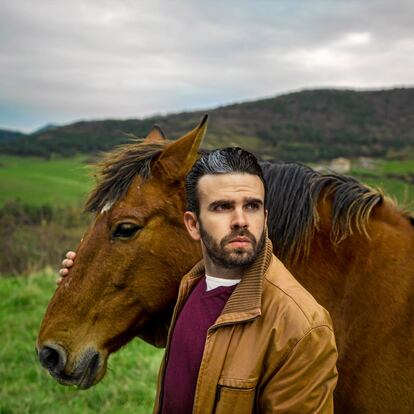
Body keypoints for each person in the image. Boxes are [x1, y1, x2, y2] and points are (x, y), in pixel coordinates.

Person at [60, 147, 338, 413]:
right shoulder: (192, 285)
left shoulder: (301, 329)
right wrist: (84, 286)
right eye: (222, 207)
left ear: (265, 217)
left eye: (251, 206)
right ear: (193, 224)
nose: (240, 220)